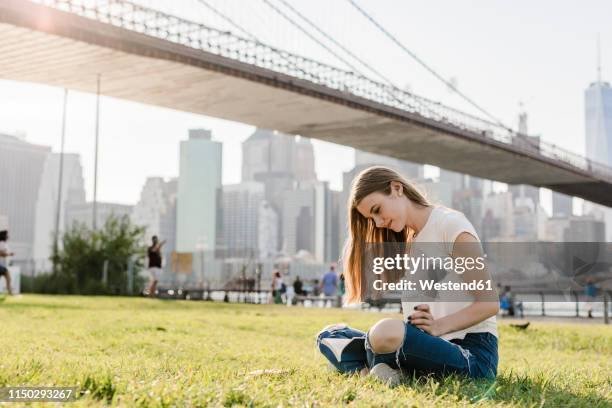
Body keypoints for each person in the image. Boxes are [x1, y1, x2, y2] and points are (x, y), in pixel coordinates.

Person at [317, 166, 499, 383]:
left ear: (397, 188)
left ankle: (368, 366)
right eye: (371, 218)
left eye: (377, 210)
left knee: (385, 332)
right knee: (330, 334)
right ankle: (380, 371)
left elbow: (489, 304)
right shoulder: (407, 243)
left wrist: (437, 327)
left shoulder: (450, 225)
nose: (378, 222)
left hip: (472, 354)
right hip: (422, 347)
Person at [0, 230, 14, 295]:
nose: (8, 236)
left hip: (1, 264)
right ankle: (10, 292)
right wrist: (9, 254)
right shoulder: (2, 243)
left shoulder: (2, 243)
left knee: (7, 275)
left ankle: (10, 292)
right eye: (7, 235)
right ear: (4, 236)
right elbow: (1, 253)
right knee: (7, 275)